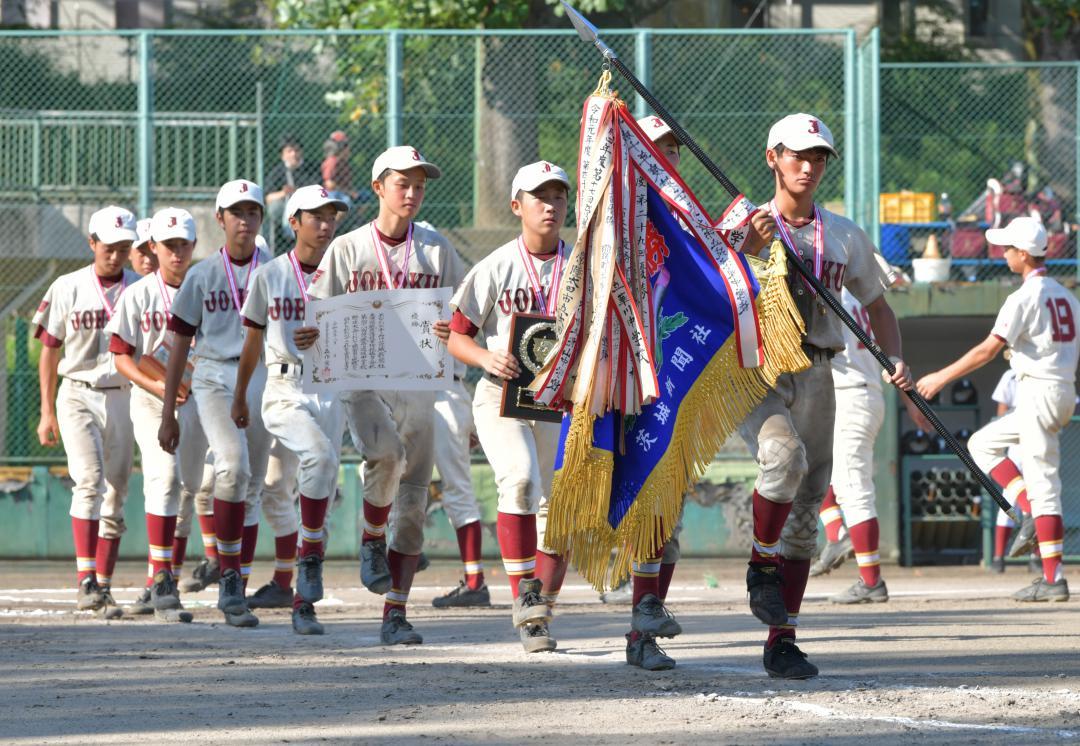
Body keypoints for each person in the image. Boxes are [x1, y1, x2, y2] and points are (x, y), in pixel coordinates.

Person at [738, 113, 912, 679]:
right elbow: (707, 291)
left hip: (819, 367)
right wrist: (744, 249)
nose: (808, 165)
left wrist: (896, 357)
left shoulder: (842, 232)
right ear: (773, 157)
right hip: (758, 371)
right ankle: (761, 564)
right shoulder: (744, 221)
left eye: (818, 157)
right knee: (783, 459)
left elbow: (879, 306)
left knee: (810, 506)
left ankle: (781, 638)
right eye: (796, 155)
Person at [308, 145, 467, 646]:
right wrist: (307, 336)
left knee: (416, 495)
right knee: (385, 454)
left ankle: (395, 612)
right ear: (378, 188)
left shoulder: (437, 248)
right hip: (362, 376)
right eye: (403, 183)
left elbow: (464, 308)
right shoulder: (349, 248)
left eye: (420, 184)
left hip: (419, 378)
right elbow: (316, 309)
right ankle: (372, 537)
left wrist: (455, 328)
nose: (414, 192)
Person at [447, 161, 576, 655]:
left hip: (561, 403)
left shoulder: (584, 266)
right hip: (503, 396)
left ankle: (539, 613)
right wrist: (484, 355)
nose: (550, 205)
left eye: (558, 196)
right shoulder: (497, 265)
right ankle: (524, 594)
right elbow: (458, 336)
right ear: (516, 205)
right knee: (520, 478)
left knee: (559, 510)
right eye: (539, 196)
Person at [917, 216, 1077, 602]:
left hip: (1039, 391)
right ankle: (1024, 512)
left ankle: (1053, 579)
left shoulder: (1024, 296)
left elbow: (988, 350)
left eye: (1008, 248)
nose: (1003, 253)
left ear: (1023, 254)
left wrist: (940, 377)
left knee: (1045, 485)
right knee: (982, 443)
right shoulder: (1068, 296)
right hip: (1058, 391)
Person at [233, 185, 348, 635]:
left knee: (324, 480)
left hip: (330, 386)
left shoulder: (346, 274)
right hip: (282, 385)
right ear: (293, 221)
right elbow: (252, 342)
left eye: (331, 215)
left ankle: (303, 602)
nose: (325, 223)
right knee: (318, 458)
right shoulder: (269, 275)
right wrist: (241, 394)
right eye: (315, 215)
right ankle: (311, 556)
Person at [158, 179, 273, 628]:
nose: (244, 220)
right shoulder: (203, 274)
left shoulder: (278, 270)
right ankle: (228, 575)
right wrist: (168, 412)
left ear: (261, 219)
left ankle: (236, 585)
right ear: (219, 218)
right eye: (236, 212)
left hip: (264, 374)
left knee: (253, 484)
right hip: (213, 374)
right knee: (231, 466)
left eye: (252, 212)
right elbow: (180, 345)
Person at [33, 205, 139, 618]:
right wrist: (46, 412)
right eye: (108, 246)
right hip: (76, 391)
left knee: (117, 490)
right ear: (92, 243)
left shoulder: (141, 286)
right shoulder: (68, 286)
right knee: (90, 480)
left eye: (123, 247)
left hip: (122, 394)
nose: (115, 254)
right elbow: (49, 351)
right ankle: (85, 579)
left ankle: (105, 585)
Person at [810, 261, 930, 604]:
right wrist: (910, 401)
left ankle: (871, 580)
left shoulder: (833, 297)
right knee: (814, 469)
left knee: (853, 488)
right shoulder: (863, 299)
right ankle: (837, 536)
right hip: (863, 393)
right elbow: (889, 355)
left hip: (851, 397)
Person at [106, 207, 204, 623]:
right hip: (150, 398)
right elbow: (120, 355)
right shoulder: (138, 294)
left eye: (183, 244)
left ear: (194, 245)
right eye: (169, 245)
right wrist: (156, 387)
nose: (176, 252)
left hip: (200, 397)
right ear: (153, 248)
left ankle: (161, 579)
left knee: (192, 488)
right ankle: (164, 579)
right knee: (164, 478)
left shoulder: (207, 286)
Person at [430, 372, 491, 609]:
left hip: (445, 390)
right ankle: (399, 553)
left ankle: (475, 581)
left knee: (458, 489)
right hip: (402, 392)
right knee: (383, 470)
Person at [265, 134, 320, 251]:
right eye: (289, 151)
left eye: (296, 150)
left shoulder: (311, 168)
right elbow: (268, 197)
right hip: (285, 206)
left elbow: (320, 189)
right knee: (274, 207)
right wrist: (283, 193)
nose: (294, 154)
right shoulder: (277, 172)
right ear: (282, 155)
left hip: (307, 205)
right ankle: (280, 243)